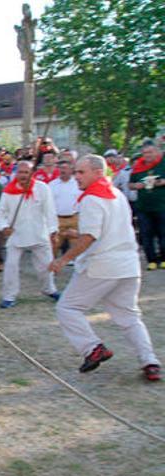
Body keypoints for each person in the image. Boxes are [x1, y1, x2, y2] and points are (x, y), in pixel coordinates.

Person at [50, 154, 160, 381]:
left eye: (81, 172)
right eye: (76, 171)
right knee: (129, 317)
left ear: (98, 172)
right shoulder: (117, 194)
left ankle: (92, 348)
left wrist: (63, 259)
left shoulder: (91, 199)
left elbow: (91, 236)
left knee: (67, 308)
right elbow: (106, 230)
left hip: (103, 266)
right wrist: (77, 234)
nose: (76, 176)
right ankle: (150, 361)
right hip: (128, 265)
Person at [0, 161, 59, 309]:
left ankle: (49, 289)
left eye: (26, 172)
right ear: (16, 174)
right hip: (16, 236)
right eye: (20, 172)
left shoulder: (43, 188)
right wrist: (4, 227)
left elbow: (50, 211)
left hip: (39, 234)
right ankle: (9, 296)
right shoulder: (8, 191)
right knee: (11, 267)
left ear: (32, 173)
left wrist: (53, 230)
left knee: (45, 267)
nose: (23, 175)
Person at [127, 142, 165, 270]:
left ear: (157, 152)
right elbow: (130, 184)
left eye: (150, 152)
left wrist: (160, 182)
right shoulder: (138, 166)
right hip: (143, 207)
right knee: (146, 234)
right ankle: (151, 260)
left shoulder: (163, 162)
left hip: (162, 205)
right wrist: (135, 186)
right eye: (144, 153)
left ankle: (164, 258)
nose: (147, 155)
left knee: (163, 233)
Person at [48, 158, 82, 254]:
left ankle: (78, 268)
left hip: (74, 218)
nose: (63, 170)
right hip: (58, 219)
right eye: (61, 168)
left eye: (66, 168)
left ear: (71, 170)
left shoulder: (77, 183)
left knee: (77, 247)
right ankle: (51, 268)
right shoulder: (52, 185)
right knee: (54, 245)